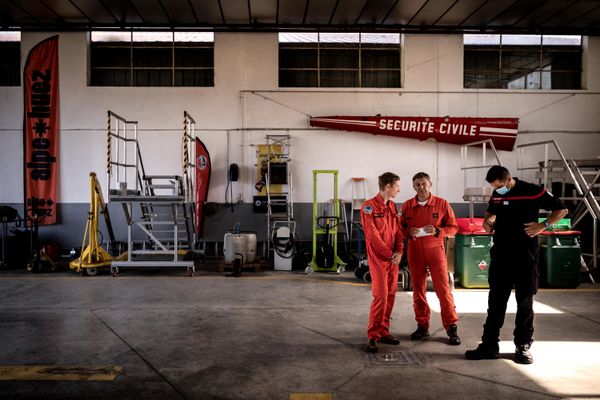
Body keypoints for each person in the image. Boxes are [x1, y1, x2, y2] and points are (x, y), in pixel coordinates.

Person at [465, 166, 568, 364]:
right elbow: (492, 211)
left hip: (525, 255)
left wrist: (543, 225)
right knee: (495, 303)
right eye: (495, 188)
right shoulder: (497, 193)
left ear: (509, 179)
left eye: (500, 186)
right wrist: (488, 221)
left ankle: (522, 346)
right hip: (501, 254)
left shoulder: (532, 191)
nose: (498, 190)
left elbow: (561, 209)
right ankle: (489, 345)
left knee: (524, 303)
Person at [400, 172, 460, 345]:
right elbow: (400, 227)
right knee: (418, 290)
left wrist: (438, 231)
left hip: (436, 251)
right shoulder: (407, 206)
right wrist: (406, 232)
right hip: (415, 251)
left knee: (443, 290)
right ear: (413, 187)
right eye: (418, 184)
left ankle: (451, 327)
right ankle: (422, 326)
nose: (421, 187)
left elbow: (453, 227)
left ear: (430, 184)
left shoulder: (442, 204)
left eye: (424, 183)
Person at [361, 172, 404, 353]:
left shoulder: (393, 207)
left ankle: (384, 331)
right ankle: (373, 335)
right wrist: (389, 254)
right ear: (387, 187)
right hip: (379, 259)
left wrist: (400, 251)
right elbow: (372, 236)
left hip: (393, 259)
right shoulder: (368, 207)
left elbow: (398, 231)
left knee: (392, 295)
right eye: (397, 186)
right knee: (381, 296)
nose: (399, 189)